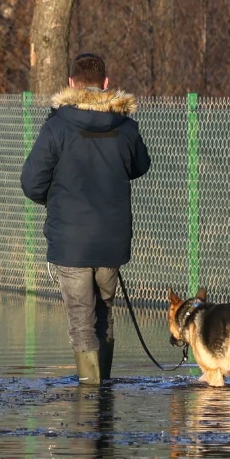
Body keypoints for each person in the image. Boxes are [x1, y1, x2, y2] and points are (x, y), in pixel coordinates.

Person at [20, 53, 152, 385]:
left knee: (81, 320)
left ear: (71, 84)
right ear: (105, 84)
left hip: (71, 242)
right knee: (104, 315)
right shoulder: (125, 127)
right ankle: (103, 394)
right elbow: (141, 166)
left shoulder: (57, 127)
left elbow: (31, 182)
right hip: (111, 242)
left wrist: (53, 200)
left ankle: (89, 396)